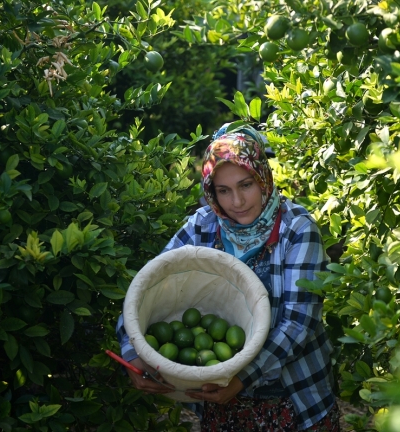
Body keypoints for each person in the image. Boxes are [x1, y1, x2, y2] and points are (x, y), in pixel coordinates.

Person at [116, 123, 339, 431]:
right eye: (223, 190)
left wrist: (242, 379)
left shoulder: (296, 229)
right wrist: (133, 354)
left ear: (263, 177)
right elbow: (148, 284)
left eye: (246, 185)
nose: (237, 202)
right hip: (220, 405)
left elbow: (299, 323)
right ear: (211, 190)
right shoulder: (202, 226)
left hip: (293, 399)